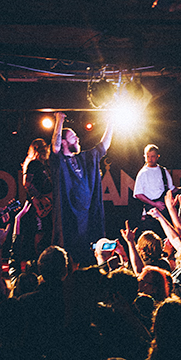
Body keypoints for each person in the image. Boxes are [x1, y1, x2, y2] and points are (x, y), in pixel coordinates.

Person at [49, 112, 113, 267]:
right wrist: (59, 121)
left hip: (88, 215)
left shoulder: (85, 158)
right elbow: (55, 147)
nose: (77, 138)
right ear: (64, 142)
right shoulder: (60, 161)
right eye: (73, 137)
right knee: (69, 252)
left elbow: (103, 146)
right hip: (69, 216)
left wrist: (112, 122)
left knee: (88, 252)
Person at [16, 138, 54, 267]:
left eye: (45, 147)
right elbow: (27, 184)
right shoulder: (33, 164)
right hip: (38, 204)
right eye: (40, 148)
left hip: (48, 203)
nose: (44, 150)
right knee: (40, 231)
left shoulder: (46, 165)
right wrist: (39, 198)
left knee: (47, 230)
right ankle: (39, 261)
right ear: (35, 150)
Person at [133, 144, 175, 226]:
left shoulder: (163, 171)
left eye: (152, 156)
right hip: (150, 212)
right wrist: (154, 204)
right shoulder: (142, 173)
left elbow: (171, 189)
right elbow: (138, 194)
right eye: (148, 156)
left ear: (157, 156)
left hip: (164, 211)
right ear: (144, 156)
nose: (150, 159)